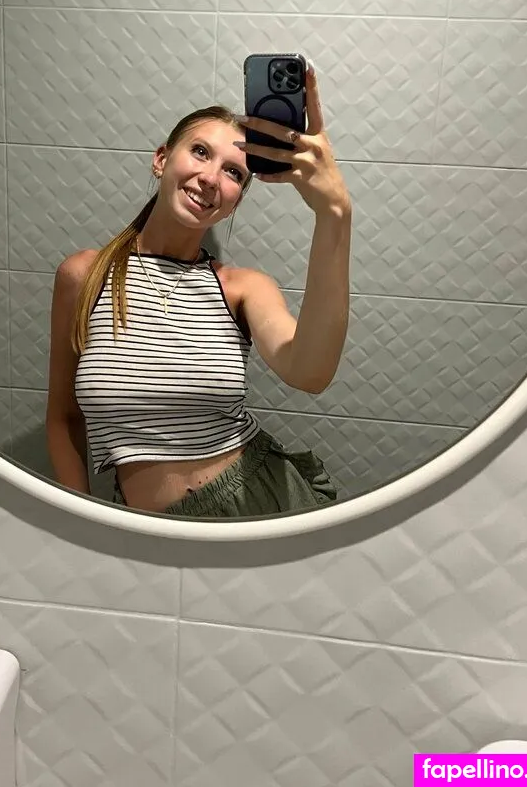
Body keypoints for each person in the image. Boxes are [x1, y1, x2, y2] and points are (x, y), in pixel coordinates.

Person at [46, 63, 352, 518]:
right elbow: (63, 418)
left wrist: (334, 214)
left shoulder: (242, 288)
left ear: (235, 200)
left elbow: (311, 373)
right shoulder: (85, 276)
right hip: (138, 524)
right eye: (200, 152)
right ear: (161, 159)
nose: (210, 178)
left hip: (252, 504)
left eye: (233, 173)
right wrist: (83, 521)